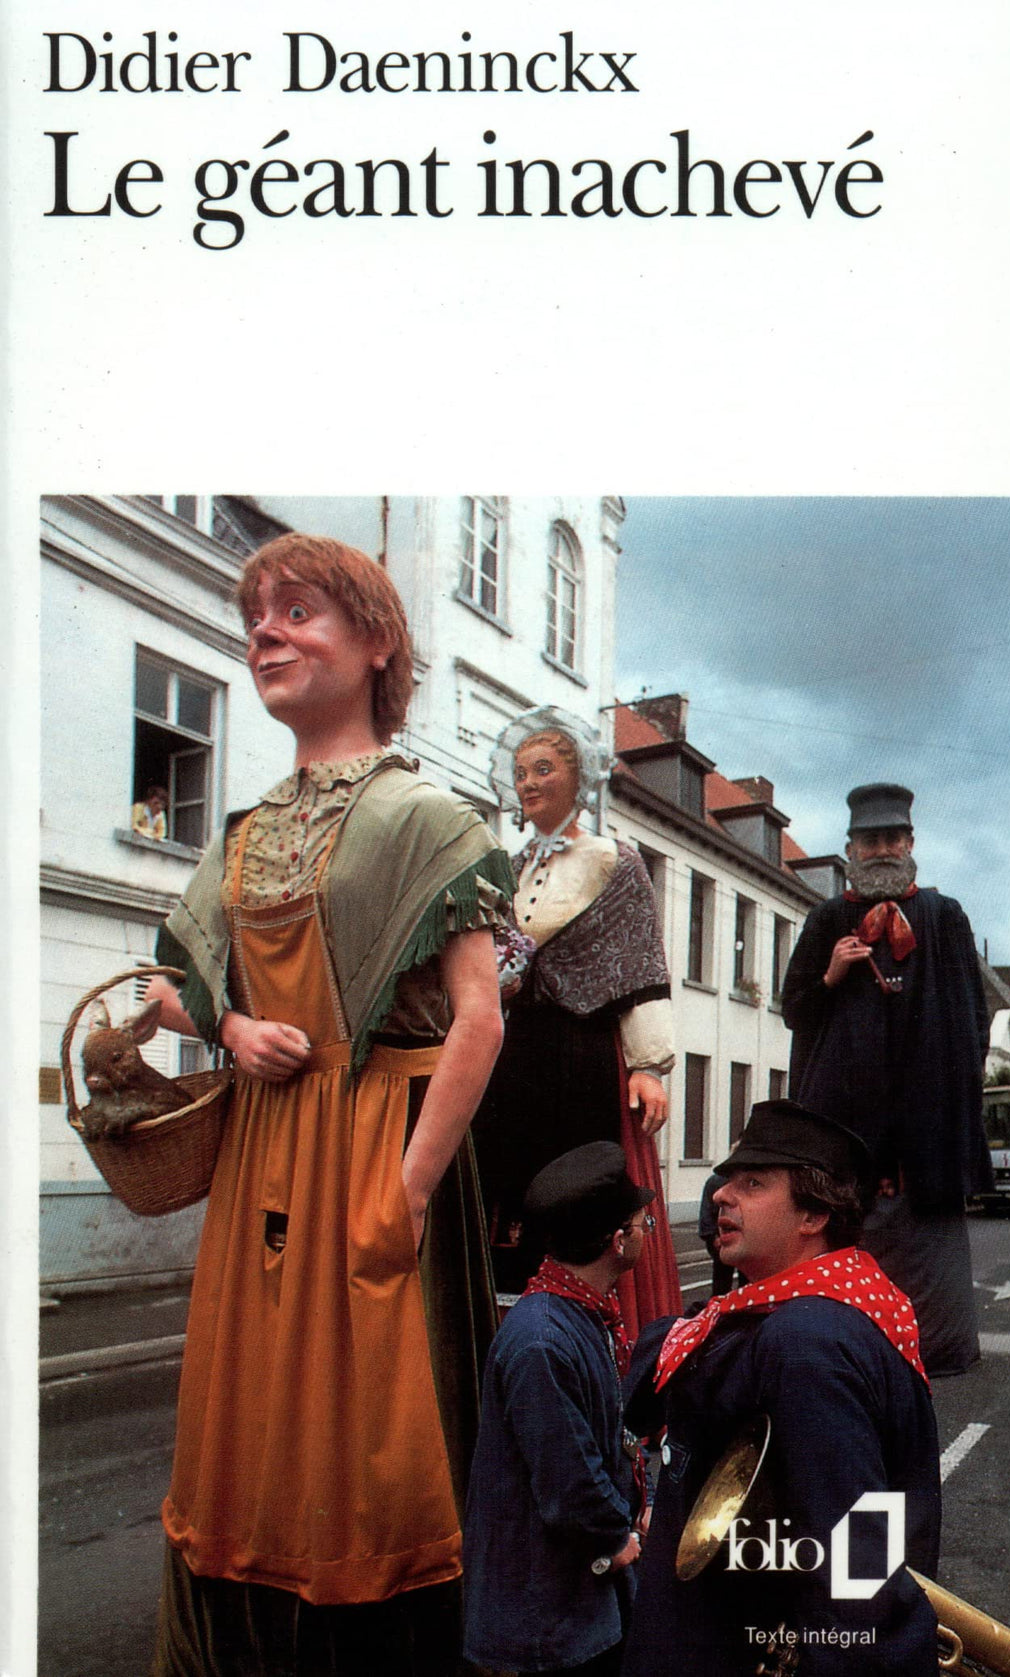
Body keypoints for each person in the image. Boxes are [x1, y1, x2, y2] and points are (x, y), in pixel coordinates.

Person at [142, 533, 515, 1676]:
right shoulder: (244, 833)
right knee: (251, 1420)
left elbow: (480, 1018)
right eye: (256, 616)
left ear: (377, 643)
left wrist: (408, 1191)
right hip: (263, 1152)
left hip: (373, 1147)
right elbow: (169, 989)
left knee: (370, 1441)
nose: (265, 631)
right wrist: (232, 1029)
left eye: (297, 611)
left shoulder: (429, 818)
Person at [622, 1099, 941, 1677]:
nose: (721, 1195)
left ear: (813, 1215)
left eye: (753, 1183)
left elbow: (858, 1565)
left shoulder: (806, 1341)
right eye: (728, 1180)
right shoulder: (819, 1309)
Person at [472, 706, 681, 1335]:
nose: (530, 783)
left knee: (578, 1186)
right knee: (506, 1186)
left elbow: (639, 963)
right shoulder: (507, 869)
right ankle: (510, 1325)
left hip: (582, 1052)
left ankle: (586, 1322)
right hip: (513, 1054)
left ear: (578, 777)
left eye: (543, 769)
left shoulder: (614, 861)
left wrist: (648, 1066)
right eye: (521, 773)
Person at [781, 782, 992, 1376]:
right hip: (847, 1132)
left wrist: (954, 1096)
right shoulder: (827, 919)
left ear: (910, 843)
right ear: (851, 847)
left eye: (891, 838)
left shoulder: (944, 917)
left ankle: (930, 1360)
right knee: (845, 1264)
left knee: (932, 1303)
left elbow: (973, 1018)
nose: (881, 850)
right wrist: (830, 974)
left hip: (926, 1137)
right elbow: (794, 1011)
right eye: (869, 840)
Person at [463, 1141, 652, 1677]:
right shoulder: (542, 1341)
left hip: (569, 1604)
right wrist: (618, 1536)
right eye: (642, 1223)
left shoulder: (578, 1312)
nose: (646, 1230)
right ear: (618, 1241)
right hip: (544, 1619)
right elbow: (570, 1480)